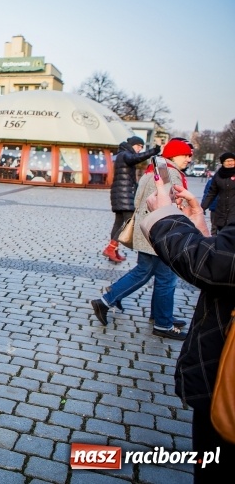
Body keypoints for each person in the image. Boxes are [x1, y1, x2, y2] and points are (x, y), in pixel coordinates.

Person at [141, 177, 234, 483]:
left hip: (225, 382)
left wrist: (165, 217)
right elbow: (224, 264)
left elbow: (210, 265)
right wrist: (201, 232)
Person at [89, 138, 193, 340]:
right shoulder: (171, 173)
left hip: (147, 229)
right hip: (161, 231)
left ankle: (158, 314)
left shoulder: (152, 169)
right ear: (173, 155)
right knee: (166, 278)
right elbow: (173, 205)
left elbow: (138, 199)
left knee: (146, 272)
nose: (189, 158)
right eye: (186, 154)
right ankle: (161, 322)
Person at [102, 136, 160, 263]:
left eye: (142, 147)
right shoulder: (125, 154)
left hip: (120, 194)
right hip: (124, 194)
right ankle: (111, 249)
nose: (140, 149)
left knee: (118, 223)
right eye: (139, 146)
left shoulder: (121, 154)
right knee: (128, 222)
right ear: (133, 145)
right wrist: (154, 151)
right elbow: (135, 158)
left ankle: (114, 250)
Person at [202, 152, 235, 234]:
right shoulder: (218, 175)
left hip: (233, 211)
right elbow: (211, 193)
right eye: (227, 161)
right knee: (222, 235)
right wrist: (203, 207)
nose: (230, 163)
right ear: (222, 163)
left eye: (232, 160)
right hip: (221, 212)